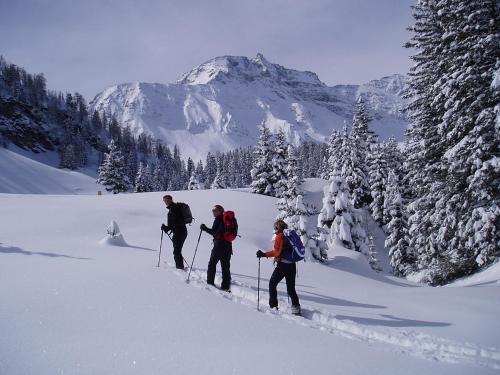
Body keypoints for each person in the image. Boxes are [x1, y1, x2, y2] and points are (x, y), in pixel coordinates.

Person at [256, 219, 301, 315]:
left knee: (272, 283)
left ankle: (273, 306)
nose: (274, 230)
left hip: (283, 265)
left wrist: (264, 254)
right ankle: (296, 308)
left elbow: (276, 252)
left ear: (278, 227)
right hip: (292, 265)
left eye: (275, 228)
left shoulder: (280, 236)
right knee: (291, 288)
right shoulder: (289, 235)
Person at [200, 205, 232, 292]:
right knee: (225, 267)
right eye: (213, 211)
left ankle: (210, 283)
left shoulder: (218, 219)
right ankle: (225, 286)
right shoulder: (229, 219)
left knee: (212, 264)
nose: (213, 212)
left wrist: (204, 228)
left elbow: (214, 232)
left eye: (215, 210)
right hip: (228, 246)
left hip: (219, 246)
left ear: (220, 211)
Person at [161, 195, 187, 269]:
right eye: (164, 200)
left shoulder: (174, 209)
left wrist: (166, 228)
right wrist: (166, 228)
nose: (165, 202)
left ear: (170, 200)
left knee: (176, 251)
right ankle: (180, 266)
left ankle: (180, 268)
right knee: (177, 250)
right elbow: (173, 224)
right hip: (181, 231)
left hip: (179, 232)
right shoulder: (174, 208)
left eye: (166, 200)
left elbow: (174, 223)